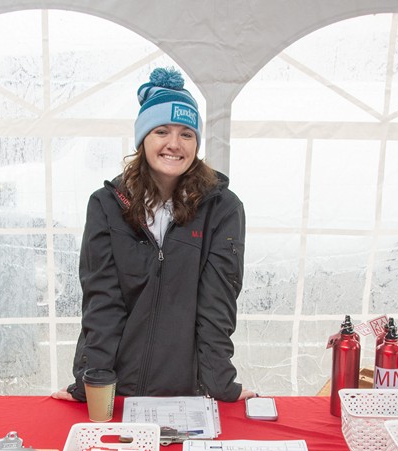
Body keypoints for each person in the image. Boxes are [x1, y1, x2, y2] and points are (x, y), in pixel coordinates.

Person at [53, 67, 254, 402]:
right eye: (161, 131)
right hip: (118, 391)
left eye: (187, 134)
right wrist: (93, 382)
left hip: (188, 394)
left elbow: (217, 304)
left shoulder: (222, 208)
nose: (174, 144)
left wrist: (221, 385)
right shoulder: (105, 205)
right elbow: (102, 302)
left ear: (197, 143)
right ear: (143, 138)